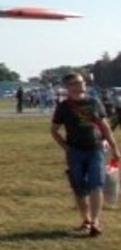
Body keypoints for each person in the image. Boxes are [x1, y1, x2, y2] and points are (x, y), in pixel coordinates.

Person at [50, 72, 119, 237]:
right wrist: (66, 148)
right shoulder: (64, 107)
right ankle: (86, 219)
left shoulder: (94, 102)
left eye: (81, 82)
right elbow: (54, 130)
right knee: (79, 188)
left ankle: (95, 222)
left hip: (95, 149)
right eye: (75, 83)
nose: (80, 85)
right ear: (67, 87)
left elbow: (105, 127)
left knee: (96, 184)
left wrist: (114, 148)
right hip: (75, 152)